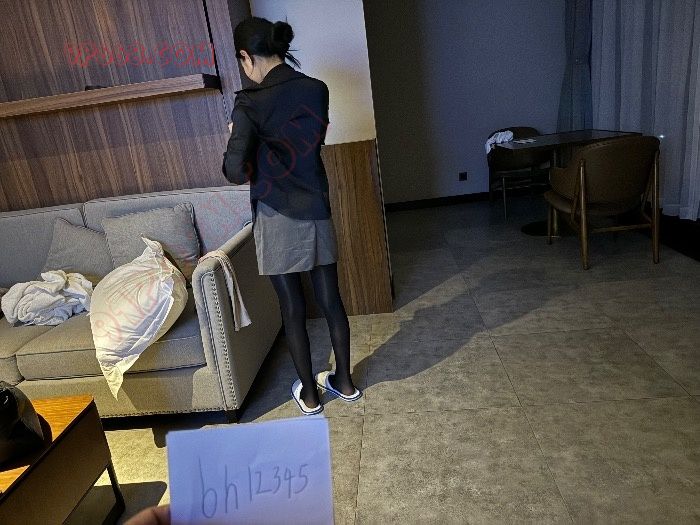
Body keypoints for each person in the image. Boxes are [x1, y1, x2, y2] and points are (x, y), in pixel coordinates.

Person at [222, 17, 361, 415]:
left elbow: (235, 171)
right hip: (315, 207)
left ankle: (311, 397)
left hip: (275, 213)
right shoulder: (317, 89)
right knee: (331, 299)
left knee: (292, 307)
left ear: (246, 56)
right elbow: (306, 145)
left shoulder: (249, 103)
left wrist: (236, 135)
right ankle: (345, 382)